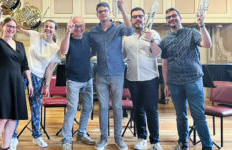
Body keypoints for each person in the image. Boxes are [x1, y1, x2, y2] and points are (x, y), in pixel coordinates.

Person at [160, 8, 213, 150]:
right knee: (180, 115)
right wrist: (165, 84)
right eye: (168, 17)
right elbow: (165, 64)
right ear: (167, 21)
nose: (171, 19)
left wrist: (201, 25)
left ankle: (207, 146)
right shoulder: (165, 40)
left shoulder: (192, 32)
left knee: (198, 115)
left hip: (193, 80)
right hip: (174, 82)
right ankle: (183, 143)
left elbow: (207, 44)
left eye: (173, 16)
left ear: (180, 17)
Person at [0, 6, 33, 150]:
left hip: (17, 83)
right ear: (3, 27)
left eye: (14, 27)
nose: (11, 29)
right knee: (2, 118)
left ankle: (5, 147)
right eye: (9, 26)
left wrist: (29, 82)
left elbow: (25, 65)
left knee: (13, 117)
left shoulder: (21, 45)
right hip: (2, 83)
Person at [89, 1, 133, 150]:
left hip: (117, 73)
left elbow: (130, 30)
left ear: (109, 13)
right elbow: (92, 51)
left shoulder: (118, 28)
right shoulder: (93, 31)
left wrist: (121, 8)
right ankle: (103, 138)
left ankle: (118, 138)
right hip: (101, 73)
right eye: (100, 11)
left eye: (105, 11)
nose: (103, 13)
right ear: (97, 14)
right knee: (102, 106)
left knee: (117, 106)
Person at [13, 19, 61, 148]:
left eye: (51, 27)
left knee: (35, 108)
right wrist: (13, 16)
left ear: (55, 30)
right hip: (24, 72)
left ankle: (36, 136)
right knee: (17, 103)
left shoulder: (56, 48)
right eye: (46, 26)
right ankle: (12, 136)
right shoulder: (35, 35)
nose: (48, 29)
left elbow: (50, 69)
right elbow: (19, 28)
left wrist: (47, 86)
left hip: (39, 78)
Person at [122, 7, 163, 150]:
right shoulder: (126, 38)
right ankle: (141, 138)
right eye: (135, 17)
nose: (138, 19)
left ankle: (155, 141)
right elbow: (122, 56)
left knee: (151, 110)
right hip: (133, 79)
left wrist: (151, 40)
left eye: (140, 16)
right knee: (137, 110)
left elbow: (157, 53)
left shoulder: (154, 33)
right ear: (131, 20)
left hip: (150, 78)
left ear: (145, 18)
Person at [60, 16, 95, 150]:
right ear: (72, 26)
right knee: (72, 109)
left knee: (88, 108)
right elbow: (63, 51)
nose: (79, 28)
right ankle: (67, 139)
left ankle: (81, 133)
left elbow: (94, 50)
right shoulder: (68, 38)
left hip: (88, 79)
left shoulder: (87, 36)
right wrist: (68, 32)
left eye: (81, 26)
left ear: (84, 26)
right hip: (73, 80)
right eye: (76, 26)